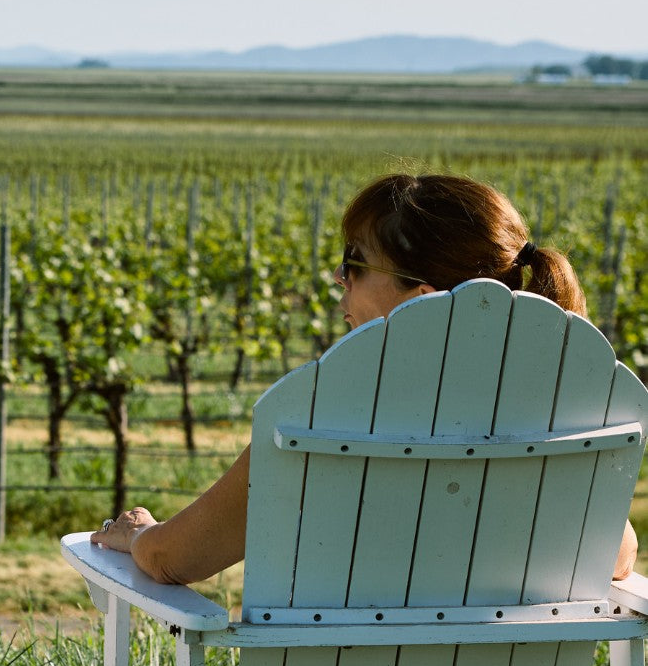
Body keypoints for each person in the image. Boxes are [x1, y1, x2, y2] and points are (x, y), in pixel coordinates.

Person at [91, 172, 638, 583]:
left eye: (354, 263)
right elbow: (618, 555)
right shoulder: (555, 420)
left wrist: (139, 534)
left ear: (423, 302)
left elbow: (174, 559)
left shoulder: (316, 414)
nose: (337, 278)